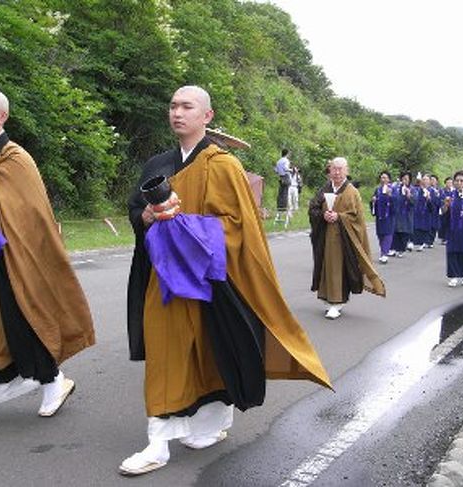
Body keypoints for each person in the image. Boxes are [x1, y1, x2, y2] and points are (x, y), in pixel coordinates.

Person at [123, 85, 331, 476]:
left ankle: (209, 424)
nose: (177, 112)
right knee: (166, 354)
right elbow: (136, 210)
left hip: (208, 278)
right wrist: (147, 218)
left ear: (207, 116)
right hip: (165, 279)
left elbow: (239, 227)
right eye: (172, 105)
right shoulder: (156, 166)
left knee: (211, 354)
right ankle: (158, 442)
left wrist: (185, 225)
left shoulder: (223, 165)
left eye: (187, 106)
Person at [0, 88, 95, 432]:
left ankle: (53, 383)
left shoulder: (16, 158)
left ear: (2, 116)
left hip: (11, 258)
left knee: (23, 319)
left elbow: (27, 211)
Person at [308, 157, 386, 319]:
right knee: (325, 266)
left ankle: (337, 302)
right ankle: (327, 298)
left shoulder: (352, 192)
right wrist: (323, 215)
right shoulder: (325, 188)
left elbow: (357, 218)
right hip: (325, 236)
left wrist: (339, 217)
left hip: (344, 239)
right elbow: (313, 207)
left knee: (339, 268)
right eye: (333, 169)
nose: (336, 172)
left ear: (346, 171)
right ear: (329, 170)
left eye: (340, 169)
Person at [442, 170, 463, 287]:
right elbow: (443, 213)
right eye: (456, 180)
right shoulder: (450, 195)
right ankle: (453, 276)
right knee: (452, 252)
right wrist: (446, 205)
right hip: (452, 230)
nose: (459, 183)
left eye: (462, 181)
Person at [370, 170, 395, 263]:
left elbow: (397, 202)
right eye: (381, 177)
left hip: (389, 216)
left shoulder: (393, 189)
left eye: (385, 177)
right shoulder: (378, 189)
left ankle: (385, 253)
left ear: (389, 179)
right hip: (380, 215)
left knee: (388, 234)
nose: (383, 179)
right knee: (380, 234)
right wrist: (373, 200)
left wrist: (391, 195)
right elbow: (373, 201)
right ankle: (383, 251)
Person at [389, 171, 414, 258]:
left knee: (404, 232)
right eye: (403, 179)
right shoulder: (396, 188)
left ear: (410, 180)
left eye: (406, 179)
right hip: (397, 213)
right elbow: (392, 198)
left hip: (407, 215)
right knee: (395, 231)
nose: (404, 181)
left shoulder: (412, 189)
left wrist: (409, 195)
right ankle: (393, 249)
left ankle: (401, 250)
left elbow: (415, 202)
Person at [412, 174, 434, 252]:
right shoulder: (417, 189)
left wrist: (429, 199)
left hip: (426, 213)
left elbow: (434, 206)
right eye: (423, 179)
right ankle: (413, 242)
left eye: (426, 179)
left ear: (430, 181)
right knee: (415, 227)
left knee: (424, 228)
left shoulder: (432, 191)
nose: (424, 181)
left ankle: (422, 243)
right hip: (417, 212)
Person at [274, 148, 291, 222]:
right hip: (286, 177)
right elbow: (286, 168)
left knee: (280, 193)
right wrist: (291, 170)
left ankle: (279, 207)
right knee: (285, 193)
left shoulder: (278, 161)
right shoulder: (286, 160)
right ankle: (284, 207)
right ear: (287, 153)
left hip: (281, 178)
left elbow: (276, 170)